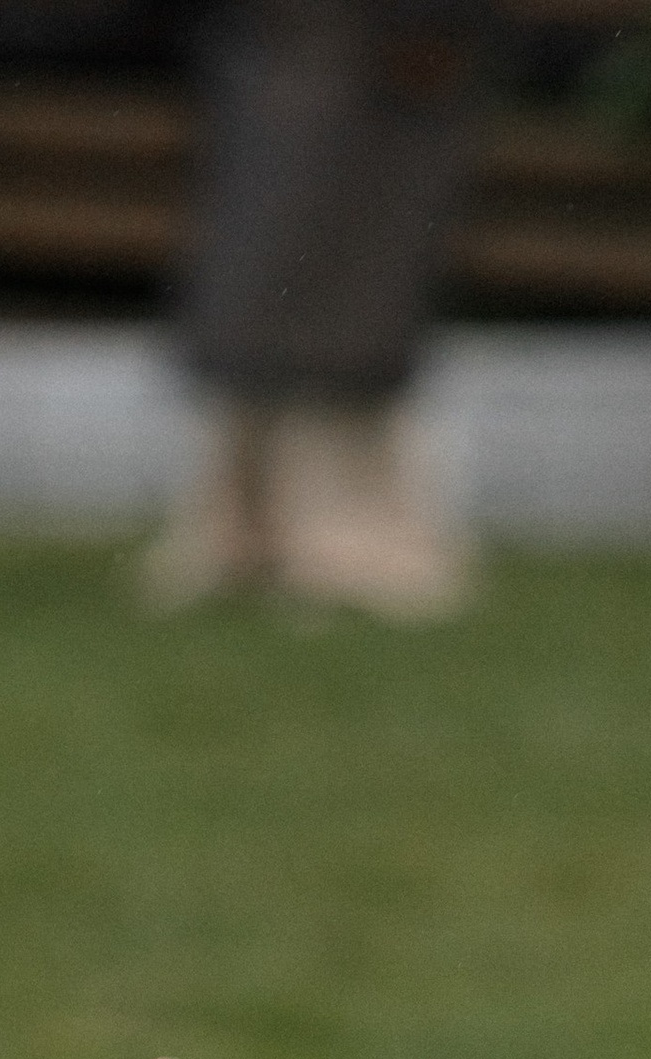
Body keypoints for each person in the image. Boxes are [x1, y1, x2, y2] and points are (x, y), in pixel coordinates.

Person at [149, 0, 502, 618]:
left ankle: (342, 538)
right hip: (291, 56)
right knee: (271, 258)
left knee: (342, 264)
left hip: (369, 68)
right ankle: (253, 526)